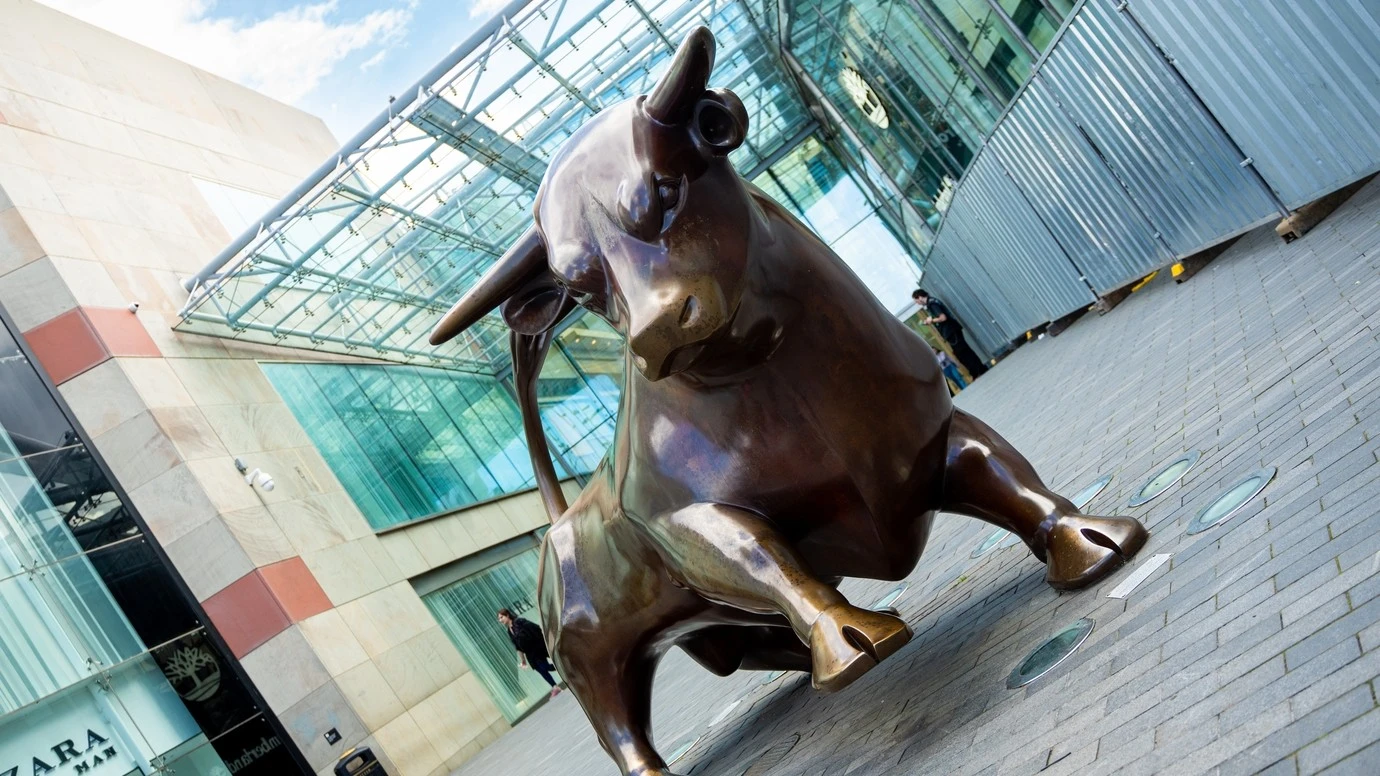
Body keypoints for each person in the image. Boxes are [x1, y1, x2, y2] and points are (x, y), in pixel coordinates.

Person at [913, 289, 988, 378]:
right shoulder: (932, 303)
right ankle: (978, 370)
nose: (917, 303)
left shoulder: (932, 304)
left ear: (920, 297)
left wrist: (931, 320)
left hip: (950, 330)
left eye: (916, 300)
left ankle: (978, 370)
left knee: (963, 352)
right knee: (963, 351)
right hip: (951, 330)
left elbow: (943, 317)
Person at [498, 608, 562, 699]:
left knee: (544, 667)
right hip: (529, 653)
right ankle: (555, 687)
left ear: (507, 615)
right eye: (499, 619)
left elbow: (535, 628)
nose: (500, 620)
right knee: (540, 670)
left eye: (501, 617)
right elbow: (518, 647)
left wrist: (543, 641)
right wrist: (523, 660)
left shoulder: (519, 622)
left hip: (537, 647)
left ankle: (562, 666)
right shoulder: (509, 631)